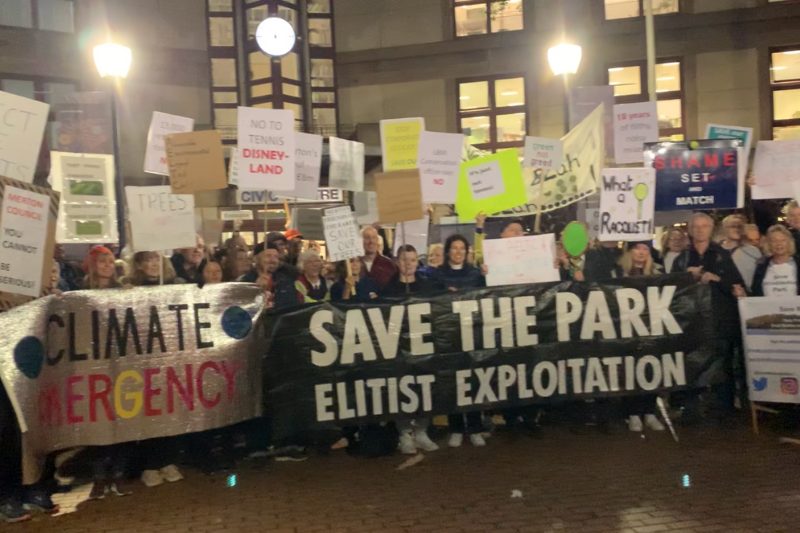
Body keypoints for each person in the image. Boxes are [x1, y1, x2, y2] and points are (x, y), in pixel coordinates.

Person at [672, 212, 746, 419]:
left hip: (720, 320)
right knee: (693, 363)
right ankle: (692, 408)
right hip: (692, 323)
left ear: (711, 229)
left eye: (704, 226)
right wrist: (687, 276)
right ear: (690, 229)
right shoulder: (682, 259)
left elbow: (737, 287)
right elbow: (670, 290)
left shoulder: (722, 255)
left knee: (723, 365)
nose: (700, 230)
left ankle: (725, 408)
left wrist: (716, 279)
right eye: (696, 226)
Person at [382, 245, 439, 454]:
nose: (409, 264)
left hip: (423, 347)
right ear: (397, 262)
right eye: (405, 260)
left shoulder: (427, 287)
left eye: (413, 260)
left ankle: (422, 430)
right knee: (402, 389)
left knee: (424, 388)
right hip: (399, 349)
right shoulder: (388, 289)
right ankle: (404, 432)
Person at [431, 235, 486, 447]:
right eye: (454, 248)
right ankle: (455, 427)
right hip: (448, 337)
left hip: (472, 334)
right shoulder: (438, 275)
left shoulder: (475, 274)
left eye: (462, 248)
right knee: (452, 383)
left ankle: (475, 427)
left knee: (472, 381)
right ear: (447, 252)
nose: (458, 252)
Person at [617, 242, 666, 432]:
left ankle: (649, 411)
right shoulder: (619, 272)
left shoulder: (658, 272)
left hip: (652, 328)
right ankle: (633, 414)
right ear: (630, 252)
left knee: (651, 369)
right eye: (637, 248)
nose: (641, 252)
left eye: (645, 249)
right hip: (627, 329)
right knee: (630, 369)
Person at [749, 225, 800, 297]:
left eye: (783, 240)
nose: (779, 244)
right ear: (768, 244)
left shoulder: (798, 264)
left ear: (789, 242)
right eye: (774, 241)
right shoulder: (761, 266)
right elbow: (755, 293)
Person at [719, 215, 762, 291]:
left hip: (747, 298)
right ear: (724, 229)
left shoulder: (754, 252)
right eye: (733, 226)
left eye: (740, 227)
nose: (737, 229)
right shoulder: (715, 251)